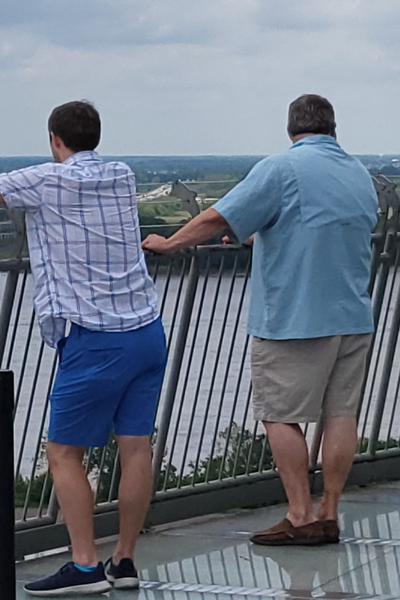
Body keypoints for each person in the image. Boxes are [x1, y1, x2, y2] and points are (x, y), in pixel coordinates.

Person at [142, 94, 378, 546]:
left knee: (278, 415)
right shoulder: (359, 173)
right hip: (353, 313)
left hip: (294, 317)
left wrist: (170, 245)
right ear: (333, 128)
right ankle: (329, 511)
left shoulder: (281, 168)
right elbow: (319, 226)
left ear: (292, 129)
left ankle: (299, 513)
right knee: (341, 415)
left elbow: (216, 217)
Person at [0, 101, 167, 595]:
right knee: (136, 448)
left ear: (55, 140)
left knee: (62, 452)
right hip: (146, 328)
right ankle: (125, 562)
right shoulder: (122, 175)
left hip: (94, 338)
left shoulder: (46, 180)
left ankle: (85, 564)